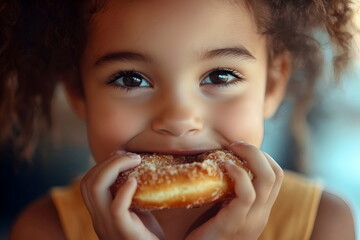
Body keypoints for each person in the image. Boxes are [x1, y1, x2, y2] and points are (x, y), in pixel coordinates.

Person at [0, 0, 356, 239]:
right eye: (130, 78)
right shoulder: (44, 228)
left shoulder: (322, 224)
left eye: (219, 76)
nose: (180, 119)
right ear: (79, 92)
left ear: (271, 85)